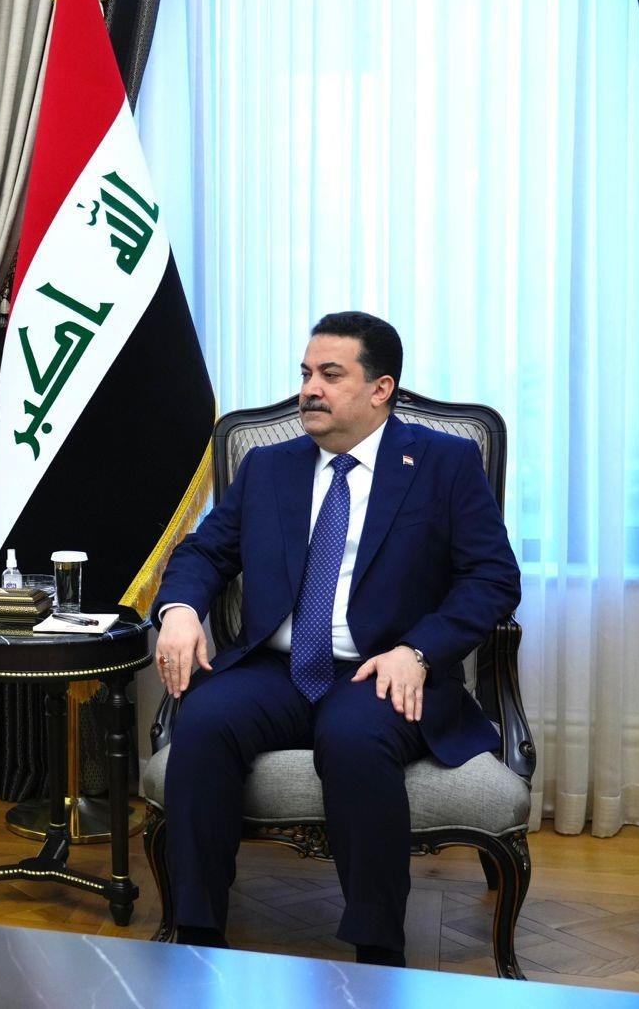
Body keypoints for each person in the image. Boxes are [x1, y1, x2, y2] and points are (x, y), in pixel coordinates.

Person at [152, 311, 520, 967]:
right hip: (279, 668)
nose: (309, 390)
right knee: (204, 719)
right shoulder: (268, 467)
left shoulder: (443, 463)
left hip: (384, 668)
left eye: (330, 374)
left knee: (353, 737)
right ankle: (197, 935)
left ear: (380, 389)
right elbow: (204, 553)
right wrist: (179, 610)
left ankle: (378, 949)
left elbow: (492, 578)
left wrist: (418, 651)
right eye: (305, 374)